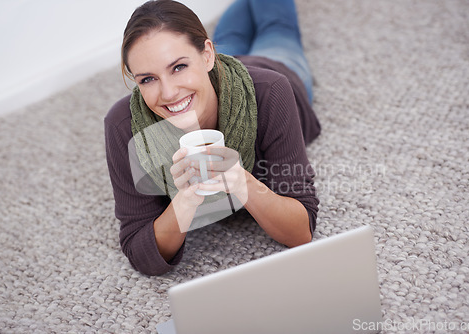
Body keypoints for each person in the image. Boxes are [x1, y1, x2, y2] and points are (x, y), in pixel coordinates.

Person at [104, 0, 321, 276]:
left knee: (276, 29)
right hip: (213, 78)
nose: (169, 93)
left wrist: (241, 180)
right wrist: (184, 199)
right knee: (230, 38)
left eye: (178, 67)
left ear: (207, 55)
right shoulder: (124, 126)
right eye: (148, 79)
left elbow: (300, 230)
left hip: (272, 67)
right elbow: (140, 250)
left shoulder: (272, 91)